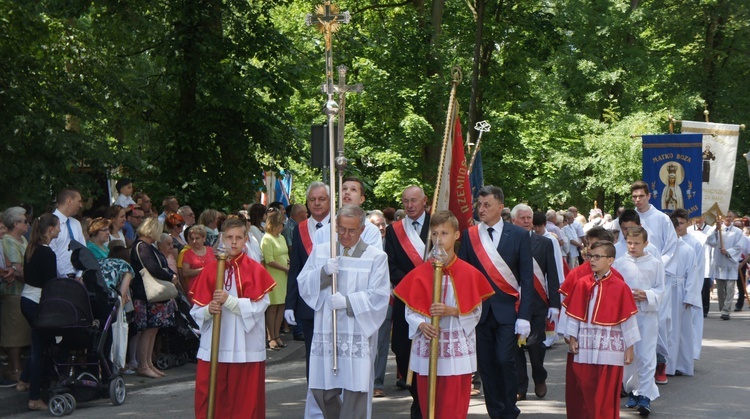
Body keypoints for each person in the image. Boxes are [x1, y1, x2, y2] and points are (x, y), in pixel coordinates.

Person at [393, 210, 494, 417]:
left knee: (453, 408)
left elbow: (476, 312)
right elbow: (410, 309)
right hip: (427, 347)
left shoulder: (468, 273)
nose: (439, 239)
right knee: (429, 405)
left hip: (455, 350)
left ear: (456, 235)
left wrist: (453, 311)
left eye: (444, 233)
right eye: (435, 233)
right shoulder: (421, 272)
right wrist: (421, 324)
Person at [297, 205, 390, 419]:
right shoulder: (323, 251)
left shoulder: (376, 257)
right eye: (341, 230)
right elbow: (303, 282)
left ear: (362, 229)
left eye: (352, 230)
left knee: (355, 391)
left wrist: (347, 302)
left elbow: (379, 296)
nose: (346, 235)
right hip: (326, 330)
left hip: (355, 330)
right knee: (321, 389)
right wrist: (322, 273)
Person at [457, 186, 533, 419]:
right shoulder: (470, 236)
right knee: (487, 365)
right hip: (479, 313)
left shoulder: (518, 235)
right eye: (479, 204)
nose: (481, 209)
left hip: (508, 312)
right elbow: (464, 273)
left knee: (504, 359)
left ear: (500, 207)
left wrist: (525, 317)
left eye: (487, 205)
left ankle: (509, 408)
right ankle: (496, 411)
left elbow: (526, 279)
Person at [189, 217, 276, 419]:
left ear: (246, 239)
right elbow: (196, 311)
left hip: (245, 346)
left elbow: (260, 306)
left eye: (238, 237)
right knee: (211, 399)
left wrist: (230, 302)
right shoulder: (210, 270)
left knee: (245, 403)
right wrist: (209, 309)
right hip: (215, 346)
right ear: (222, 238)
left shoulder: (255, 269)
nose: (234, 242)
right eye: (229, 237)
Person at [565, 240, 639, 419]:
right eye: (591, 256)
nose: (592, 260)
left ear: (610, 260)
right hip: (586, 344)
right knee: (585, 388)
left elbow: (628, 319)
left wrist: (630, 347)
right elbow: (574, 313)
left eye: (598, 257)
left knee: (605, 395)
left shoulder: (620, 286)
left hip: (609, 347)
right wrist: (573, 337)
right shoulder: (582, 283)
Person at [557, 226, 615, 419]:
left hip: (605, 345)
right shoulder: (576, 275)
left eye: (597, 248)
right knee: (579, 390)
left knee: (602, 391)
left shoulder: (617, 276)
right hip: (580, 342)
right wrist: (568, 335)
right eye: (590, 246)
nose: (592, 253)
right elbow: (568, 309)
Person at [384, 185, 431, 418]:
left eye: (414, 201)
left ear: (425, 201)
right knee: (401, 349)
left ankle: (426, 401)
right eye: (405, 201)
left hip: (434, 299)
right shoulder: (394, 231)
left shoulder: (437, 225)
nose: (409, 206)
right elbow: (390, 264)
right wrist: (414, 282)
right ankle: (416, 395)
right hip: (406, 298)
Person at [511, 207, 561, 400]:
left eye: (529, 218)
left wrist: (555, 304)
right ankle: (520, 386)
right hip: (514, 303)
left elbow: (553, 275)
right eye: (522, 218)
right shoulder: (508, 242)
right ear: (513, 221)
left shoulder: (545, 243)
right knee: (515, 348)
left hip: (538, 304)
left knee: (535, 345)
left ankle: (540, 376)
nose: (526, 221)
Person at [612, 227, 663, 415]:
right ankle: (633, 390)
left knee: (647, 354)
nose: (632, 247)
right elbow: (614, 287)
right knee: (629, 354)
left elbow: (661, 289)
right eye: (629, 243)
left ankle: (645, 396)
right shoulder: (619, 263)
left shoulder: (655, 263)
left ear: (646, 243)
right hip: (626, 315)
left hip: (647, 315)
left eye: (636, 243)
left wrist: (647, 294)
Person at [285, 182, 331, 374]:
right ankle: (314, 400)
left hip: (334, 301)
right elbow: (295, 268)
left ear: (330, 201)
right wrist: (289, 304)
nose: (317, 203)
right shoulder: (300, 229)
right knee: (313, 357)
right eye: (312, 200)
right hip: (308, 303)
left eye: (321, 199)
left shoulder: (341, 226)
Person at [17, 213, 60, 410]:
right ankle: (34, 397)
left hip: (27, 299)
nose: (59, 230)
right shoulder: (47, 253)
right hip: (37, 302)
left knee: (41, 344)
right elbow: (50, 285)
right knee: (39, 350)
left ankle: (25, 380)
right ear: (50, 230)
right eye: (58, 227)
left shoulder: (32, 249)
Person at [130, 217, 178, 379]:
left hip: (149, 295)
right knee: (148, 330)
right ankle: (143, 365)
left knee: (153, 330)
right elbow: (152, 268)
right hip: (145, 294)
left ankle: (148, 363)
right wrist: (170, 276)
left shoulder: (145, 246)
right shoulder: (142, 246)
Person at [665, 209, 701, 376]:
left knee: (681, 330)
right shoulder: (663, 247)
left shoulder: (688, 249)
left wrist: (690, 296)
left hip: (679, 292)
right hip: (664, 291)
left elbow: (693, 274)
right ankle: (663, 364)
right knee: (665, 329)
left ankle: (679, 364)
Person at [1, 207, 32, 386]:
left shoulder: (21, 239)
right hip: (13, 292)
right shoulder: (9, 241)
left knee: (22, 332)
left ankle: (16, 368)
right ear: (15, 224)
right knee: (14, 333)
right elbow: (17, 268)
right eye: (25, 221)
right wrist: (35, 277)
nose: (28, 224)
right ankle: (14, 370)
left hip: (23, 291)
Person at [367, 209, 390, 398]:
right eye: (376, 224)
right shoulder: (363, 245)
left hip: (388, 298)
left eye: (382, 224)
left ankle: (377, 381)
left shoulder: (392, 243)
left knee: (382, 342)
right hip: (366, 300)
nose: (381, 227)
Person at [706, 210, 744, 320]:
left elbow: (739, 246)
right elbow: (711, 242)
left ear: (733, 218)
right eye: (726, 216)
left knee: (730, 288)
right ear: (722, 218)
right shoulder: (717, 229)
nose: (728, 218)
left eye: (730, 216)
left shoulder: (737, 232)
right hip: (719, 263)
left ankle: (726, 310)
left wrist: (728, 252)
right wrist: (716, 230)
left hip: (730, 263)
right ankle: (722, 308)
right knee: (721, 290)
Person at [261, 209, 289, 350]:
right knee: (272, 307)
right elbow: (269, 260)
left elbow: (285, 253)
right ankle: (270, 336)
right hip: (273, 275)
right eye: (280, 223)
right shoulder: (267, 239)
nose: (282, 226)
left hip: (284, 275)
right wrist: (285, 268)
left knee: (281, 305)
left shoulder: (281, 237)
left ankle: (277, 335)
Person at [50, 188, 85, 277]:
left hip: (76, 278)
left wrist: (79, 275)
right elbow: (52, 252)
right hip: (57, 278)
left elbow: (83, 250)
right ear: (69, 201)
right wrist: (64, 276)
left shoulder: (76, 223)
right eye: (79, 201)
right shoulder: (49, 222)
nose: (80, 205)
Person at [181, 225, 215, 301]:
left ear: (204, 238)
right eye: (192, 239)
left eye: (197, 238)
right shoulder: (187, 253)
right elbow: (185, 273)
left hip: (211, 287)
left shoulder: (212, 251)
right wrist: (203, 270)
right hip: (195, 289)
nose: (194, 241)